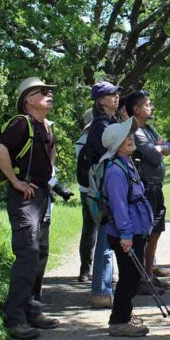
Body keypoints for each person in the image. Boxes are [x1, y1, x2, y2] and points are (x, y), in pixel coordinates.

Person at [0, 77, 61, 339]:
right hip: (25, 198)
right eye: (42, 92)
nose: (48, 95)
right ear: (28, 99)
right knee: (28, 253)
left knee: (41, 252)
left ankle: (32, 309)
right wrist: (16, 181)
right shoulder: (22, 123)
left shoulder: (45, 126)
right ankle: (14, 318)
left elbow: (50, 159)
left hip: (42, 195)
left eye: (49, 91)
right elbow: (0, 150)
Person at [99, 117, 155, 337]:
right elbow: (119, 205)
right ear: (116, 143)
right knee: (129, 276)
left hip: (134, 229)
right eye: (126, 136)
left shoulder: (126, 163)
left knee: (131, 274)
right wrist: (126, 235)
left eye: (130, 134)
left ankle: (124, 314)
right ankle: (119, 321)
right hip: (126, 232)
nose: (131, 137)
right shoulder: (115, 171)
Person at [127, 91, 170, 292]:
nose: (151, 107)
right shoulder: (135, 130)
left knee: (155, 232)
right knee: (145, 234)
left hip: (156, 187)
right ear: (136, 109)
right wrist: (160, 148)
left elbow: (168, 147)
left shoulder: (149, 129)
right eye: (147, 105)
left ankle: (149, 274)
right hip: (145, 187)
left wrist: (161, 147)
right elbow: (154, 156)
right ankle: (139, 279)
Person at [84, 81, 123, 309]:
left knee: (108, 238)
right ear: (100, 100)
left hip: (109, 185)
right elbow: (108, 156)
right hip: (106, 188)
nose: (116, 97)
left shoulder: (110, 122)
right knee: (106, 239)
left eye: (117, 94)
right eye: (111, 94)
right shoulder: (101, 126)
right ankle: (100, 290)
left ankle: (104, 288)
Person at [75, 108, 95, 283]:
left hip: (84, 189)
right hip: (97, 189)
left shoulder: (80, 141)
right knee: (103, 229)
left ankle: (85, 269)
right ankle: (103, 270)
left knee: (88, 230)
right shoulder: (96, 139)